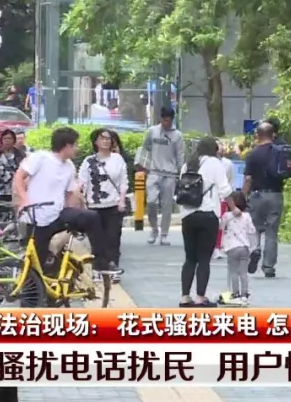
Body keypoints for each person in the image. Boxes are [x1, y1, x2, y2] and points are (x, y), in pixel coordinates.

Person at [12, 127, 121, 275]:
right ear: (67, 146)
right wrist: (24, 199)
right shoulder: (41, 158)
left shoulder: (69, 166)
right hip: (37, 217)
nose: (77, 148)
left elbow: (69, 194)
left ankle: (101, 264)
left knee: (92, 217)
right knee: (38, 265)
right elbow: (19, 176)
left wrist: (75, 214)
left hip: (57, 214)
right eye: (75, 145)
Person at [177, 137, 236, 307]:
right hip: (207, 214)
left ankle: (184, 297)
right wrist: (234, 208)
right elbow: (225, 189)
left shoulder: (188, 164)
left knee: (190, 258)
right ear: (214, 149)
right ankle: (200, 297)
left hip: (187, 215)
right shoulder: (214, 163)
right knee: (204, 258)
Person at [78, 128, 129, 279]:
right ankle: (98, 269)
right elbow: (82, 182)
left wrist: (122, 199)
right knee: (96, 240)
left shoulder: (117, 159)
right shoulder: (88, 161)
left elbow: (123, 181)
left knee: (113, 238)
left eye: (108, 139)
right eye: (102, 138)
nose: (106, 141)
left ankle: (112, 267)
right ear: (96, 142)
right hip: (94, 206)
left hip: (113, 204)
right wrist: (81, 201)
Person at [136, 105, 184, 245]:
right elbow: (145, 148)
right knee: (151, 202)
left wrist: (181, 174)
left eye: (168, 120)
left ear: (172, 120)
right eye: (164, 120)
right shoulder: (152, 131)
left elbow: (180, 156)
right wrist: (141, 164)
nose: (165, 123)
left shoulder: (177, 136)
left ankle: (164, 234)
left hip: (170, 174)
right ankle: (154, 229)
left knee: (167, 205)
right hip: (154, 172)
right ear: (160, 119)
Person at [243, 122, 286, 277]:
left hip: (257, 195)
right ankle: (268, 266)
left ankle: (255, 249)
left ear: (258, 135)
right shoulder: (280, 152)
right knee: (271, 232)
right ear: (273, 134)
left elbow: (248, 178)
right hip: (275, 194)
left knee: (254, 228)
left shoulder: (252, 154)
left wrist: (243, 196)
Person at [220, 191, 257, 306]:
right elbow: (252, 230)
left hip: (232, 247)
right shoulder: (247, 216)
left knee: (233, 272)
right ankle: (244, 295)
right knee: (243, 272)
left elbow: (221, 227)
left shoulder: (227, 216)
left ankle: (235, 293)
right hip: (244, 247)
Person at [0, 129, 25, 213]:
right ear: (1, 141)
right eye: (5, 138)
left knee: (17, 215)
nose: (7, 141)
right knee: (2, 215)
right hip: (1, 193)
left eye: (9, 138)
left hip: (16, 193)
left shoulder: (20, 156)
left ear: (14, 141)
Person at [214, 141, 236, 260]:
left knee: (220, 223)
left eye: (220, 146)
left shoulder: (228, 164)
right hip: (208, 198)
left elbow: (231, 182)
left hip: (222, 197)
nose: (219, 148)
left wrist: (231, 198)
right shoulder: (205, 163)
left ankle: (217, 247)